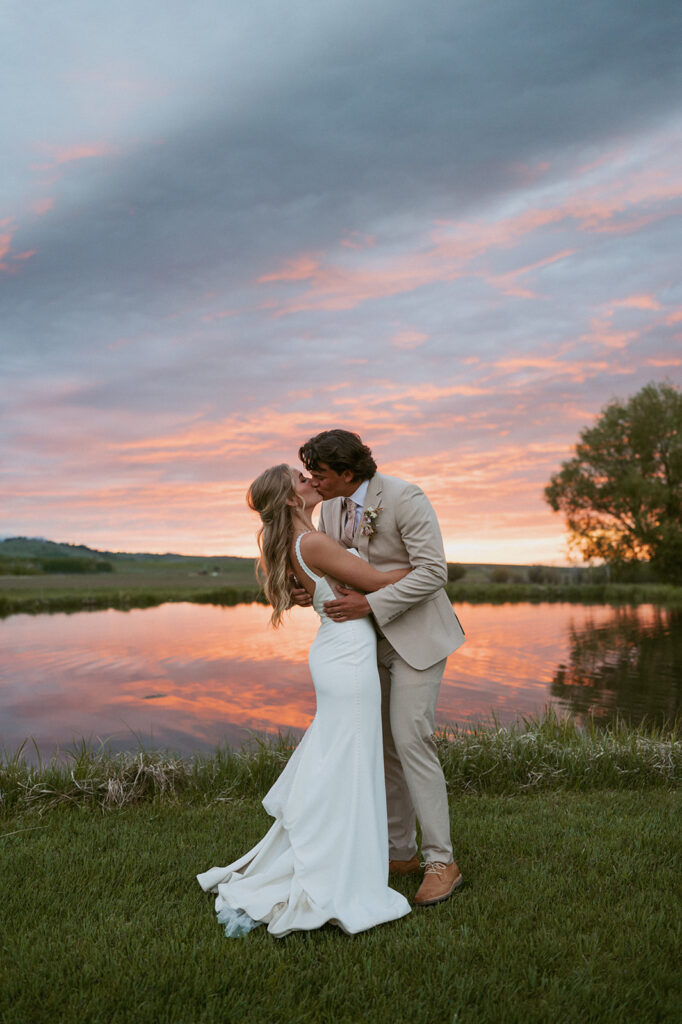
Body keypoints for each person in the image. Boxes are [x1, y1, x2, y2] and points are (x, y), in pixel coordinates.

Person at [197, 464, 412, 937]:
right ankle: (338, 863)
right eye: (300, 479)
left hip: (339, 651)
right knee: (349, 758)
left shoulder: (305, 540)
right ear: (291, 500)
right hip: (347, 656)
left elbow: (341, 584)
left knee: (341, 757)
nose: (312, 481)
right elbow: (377, 582)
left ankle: (344, 849)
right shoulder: (311, 542)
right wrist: (423, 568)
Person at [294, 429, 466, 906]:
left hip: (418, 637)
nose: (313, 482)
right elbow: (338, 570)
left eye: (320, 474)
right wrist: (310, 591)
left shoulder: (406, 497)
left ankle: (441, 861)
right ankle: (400, 851)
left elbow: (433, 572)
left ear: (348, 473)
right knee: (384, 745)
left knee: (412, 738)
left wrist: (371, 605)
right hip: (364, 646)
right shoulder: (329, 509)